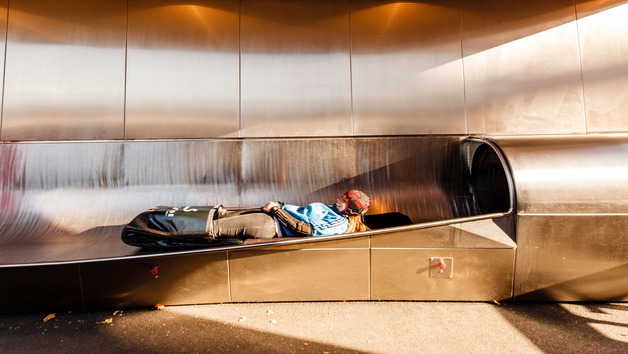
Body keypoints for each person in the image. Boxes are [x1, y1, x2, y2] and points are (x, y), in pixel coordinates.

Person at [262, 189, 371, 237]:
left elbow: (304, 230)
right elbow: (301, 213)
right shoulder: (332, 209)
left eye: (344, 200)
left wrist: (277, 210)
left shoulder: (339, 223)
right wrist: (279, 206)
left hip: (274, 226)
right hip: (272, 214)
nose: (338, 199)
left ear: (351, 209)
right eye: (342, 197)